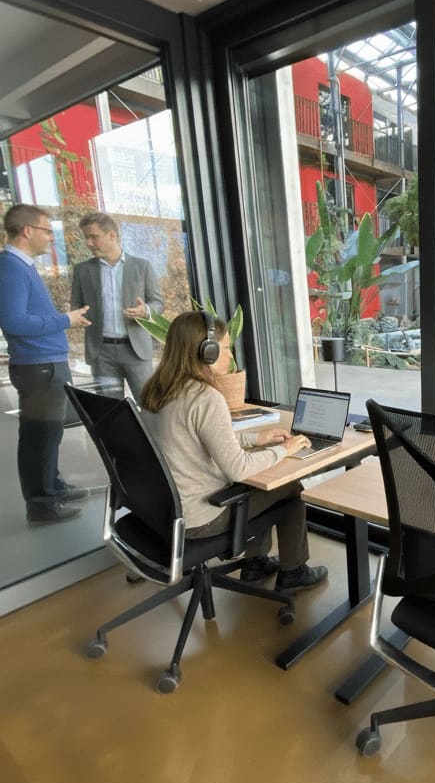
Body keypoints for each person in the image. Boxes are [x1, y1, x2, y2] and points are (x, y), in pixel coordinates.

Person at [139, 310, 328, 592]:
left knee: (261, 487)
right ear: (206, 352)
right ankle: (293, 572)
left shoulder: (158, 390)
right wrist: (284, 450)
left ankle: (255, 564)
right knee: (289, 488)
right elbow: (237, 468)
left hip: (164, 512)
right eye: (225, 348)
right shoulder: (205, 398)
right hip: (200, 518)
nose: (230, 355)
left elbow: (191, 442)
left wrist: (256, 438)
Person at [0, 204, 93, 524]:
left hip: (46, 364)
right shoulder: (10, 267)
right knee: (40, 435)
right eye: (46, 231)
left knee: (49, 433)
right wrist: (65, 320)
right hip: (38, 367)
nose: (51, 238)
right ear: (27, 231)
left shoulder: (21, 266)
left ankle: (52, 487)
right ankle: (41, 505)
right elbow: (14, 322)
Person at [70, 212, 164, 400]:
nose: (88, 243)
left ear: (111, 235)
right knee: (110, 412)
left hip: (135, 350)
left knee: (150, 406)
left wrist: (145, 311)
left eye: (93, 237)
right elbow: (76, 306)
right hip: (101, 352)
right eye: (86, 238)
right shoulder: (82, 270)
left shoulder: (142, 266)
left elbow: (158, 302)